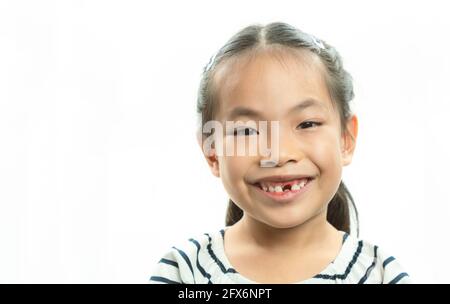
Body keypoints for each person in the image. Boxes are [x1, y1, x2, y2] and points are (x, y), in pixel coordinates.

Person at [149, 22, 411, 284]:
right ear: (212, 152)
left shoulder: (379, 275)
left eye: (307, 124)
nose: (279, 153)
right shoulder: (185, 272)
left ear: (346, 139)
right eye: (247, 131)